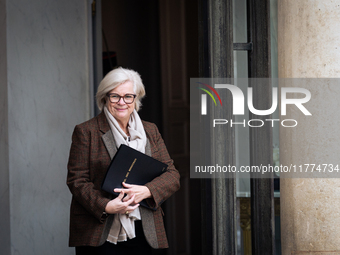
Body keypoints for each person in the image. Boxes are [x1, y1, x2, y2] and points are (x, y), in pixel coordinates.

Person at [67, 67, 180, 254]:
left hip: (146, 230)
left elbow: (172, 175)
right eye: (115, 96)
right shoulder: (86, 131)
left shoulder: (150, 130)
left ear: (136, 99)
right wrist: (106, 206)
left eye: (128, 96)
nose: (122, 102)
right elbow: (77, 180)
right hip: (100, 230)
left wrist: (147, 191)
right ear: (105, 97)